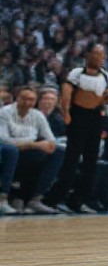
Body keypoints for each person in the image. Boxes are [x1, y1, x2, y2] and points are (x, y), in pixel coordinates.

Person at [43, 44, 108, 214]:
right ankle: (55, 199)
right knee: (71, 159)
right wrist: (66, 113)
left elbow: (107, 95)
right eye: (95, 53)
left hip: (95, 118)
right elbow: (66, 93)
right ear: (88, 55)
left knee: (91, 161)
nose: (98, 57)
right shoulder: (77, 73)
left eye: (101, 54)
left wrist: (104, 105)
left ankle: (80, 199)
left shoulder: (105, 75)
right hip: (78, 116)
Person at [0, 85, 60, 214]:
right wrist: (33, 144)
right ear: (17, 98)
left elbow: (51, 139)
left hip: (28, 152)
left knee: (58, 152)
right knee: (12, 150)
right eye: (24, 98)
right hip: (7, 150)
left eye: (31, 99)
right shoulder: (5, 112)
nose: (27, 102)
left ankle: (35, 199)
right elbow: (4, 139)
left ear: (35, 101)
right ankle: (3, 199)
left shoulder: (37, 115)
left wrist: (47, 145)